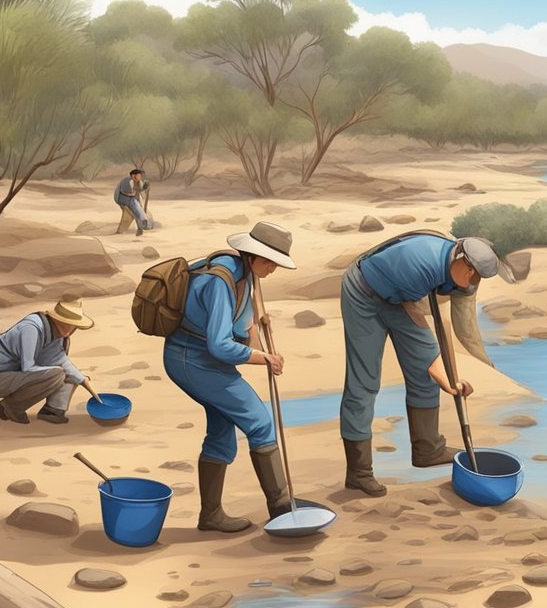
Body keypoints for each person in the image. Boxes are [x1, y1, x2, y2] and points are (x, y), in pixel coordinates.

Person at [163, 222, 315, 534]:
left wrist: (264, 353)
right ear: (252, 254)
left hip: (197, 359)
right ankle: (281, 507)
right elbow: (220, 345)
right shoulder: (221, 280)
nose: (272, 268)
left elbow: (245, 328)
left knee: (221, 431)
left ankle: (211, 515)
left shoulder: (244, 274)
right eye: (269, 261)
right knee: (260, 423)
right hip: (192, 359)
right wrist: (263, 359)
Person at [340, 231, 515, 496]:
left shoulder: (457, 269)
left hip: (399, 297)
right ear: (462, 261)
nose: (471, 282)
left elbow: (451, 331)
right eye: (471, 274)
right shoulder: (420, 264)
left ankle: (428, 449)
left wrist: (461, 372)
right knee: (364, 382)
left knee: (424, 373)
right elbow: (426, 330)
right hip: (363, 292)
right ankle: (359, 473)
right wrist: (448, 380)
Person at [0, 298, 97, 424]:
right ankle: (9, 408)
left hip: (15, 375)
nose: (69, 331)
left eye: (73, 326)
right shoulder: (31, 328)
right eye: (66, 324)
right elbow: (28, 367)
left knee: (71, 374)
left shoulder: (55, 333)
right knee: (57, 374)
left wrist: (83, 380)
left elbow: (60, 360)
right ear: (56, 319)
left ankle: (53, 410)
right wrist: (56, 372)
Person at [114, 168, 151, 236]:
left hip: (131, 199)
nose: (140, 177)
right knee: (135, 205)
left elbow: (140, 189)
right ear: (133, 176)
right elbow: (123, 191)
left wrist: (145, 187)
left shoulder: (139, 182)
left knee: (135, 210)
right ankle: (144, 218)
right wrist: (133, 193)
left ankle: (140, 227)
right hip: (121, 197)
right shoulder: (127, 181)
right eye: (139, 176)